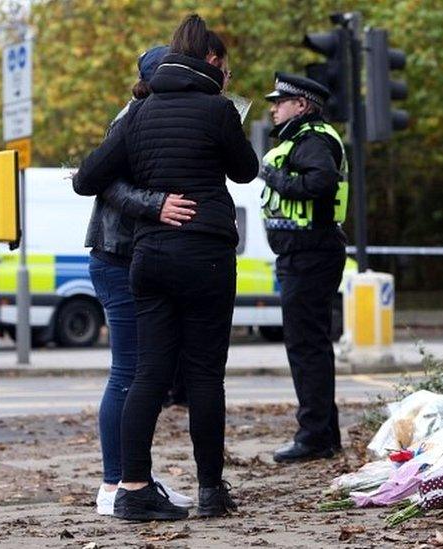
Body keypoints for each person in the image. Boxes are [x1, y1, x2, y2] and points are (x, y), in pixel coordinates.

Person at [73, 15, 258, 521]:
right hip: (206, 255)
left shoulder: (137, 112)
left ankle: (132, 489)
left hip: (150, 259)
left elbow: (87, 178)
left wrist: (152, 201)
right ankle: (210, 491)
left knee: (148, 374)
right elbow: (246, 170)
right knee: (203, 377)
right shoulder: (218, 111)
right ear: (211, 63)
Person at [83, 45, 198, 516]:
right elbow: (101, 182)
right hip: (118, 258)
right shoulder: (134, 118)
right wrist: (157, 205)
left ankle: (134, 477)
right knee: (128, 373)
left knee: (141, 373)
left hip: (131, 258)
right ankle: (116, 485)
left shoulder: (152, 117)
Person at [260, 73, 349, 463]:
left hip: (310, 253)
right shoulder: (305, 138)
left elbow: (321, 183)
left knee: (305, 346)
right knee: (312, 345)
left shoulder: (312, 139)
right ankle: (323, 433)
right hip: (306, 253)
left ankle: (314, 436)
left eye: (280, 102)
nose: (273, 108)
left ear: (301, 105)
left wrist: (274, 177)